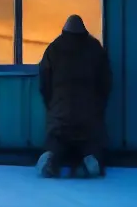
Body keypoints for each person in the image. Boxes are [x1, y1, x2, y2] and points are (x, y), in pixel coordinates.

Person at [36, 14, 112, 178]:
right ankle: (91, 160)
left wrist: (52, 104)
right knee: (89, 141)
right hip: (88, 112)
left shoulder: (54, 48)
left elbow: (44, 81)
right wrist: (98, 105)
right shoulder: (94, 47)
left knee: (57, 139)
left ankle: (50, 157)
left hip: (60, 110)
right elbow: (105, 81)